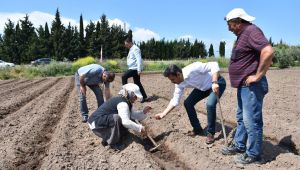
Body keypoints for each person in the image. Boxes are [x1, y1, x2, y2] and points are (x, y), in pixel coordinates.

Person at [221, 8, 274, 165]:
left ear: (238, 22)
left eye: (230, 24)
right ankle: (240, 145)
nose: (228, 28)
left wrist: (257, 76)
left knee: (252, 121)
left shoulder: (251, 31)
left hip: (252, 87)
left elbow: (268, 51)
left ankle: (254, 154)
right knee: (242, 119)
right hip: (243, 87)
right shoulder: (242, 35)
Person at [155, 62, 226, 144]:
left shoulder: (193, 68)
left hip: (217, 83)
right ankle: (197, 129)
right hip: (202, 88)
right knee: (188, 103)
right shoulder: (178, 84)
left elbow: (214, 64)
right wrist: (163, 113)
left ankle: (210, 133)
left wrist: (214, 82)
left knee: (210, 104)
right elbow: (175, 100)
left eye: (172, 79)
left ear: (178, 74)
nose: (172, 82)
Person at [87, 83, 152, 147]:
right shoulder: (123, 104)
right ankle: (113, 143)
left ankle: (109, 137)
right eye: (135, 96)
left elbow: (132, 115)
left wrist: (143, 112)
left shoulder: (125, 101)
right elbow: (125, 122)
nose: (136, 99)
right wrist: (139, 128)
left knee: (122, 124)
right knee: (116, 118)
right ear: (130, 94)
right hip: (96, 124)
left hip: (99, 122)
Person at [122, 37, 149, 103]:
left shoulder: (136, 49)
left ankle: (125, 94)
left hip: (134, 69)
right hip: (132, 68)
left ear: (130, 42)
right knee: (137, 83)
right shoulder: (131, 49)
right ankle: (145, 97)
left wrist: (139, 69)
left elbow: (138, 59)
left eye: (126, 44)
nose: (126, 46)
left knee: (124, 76)